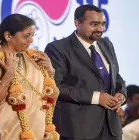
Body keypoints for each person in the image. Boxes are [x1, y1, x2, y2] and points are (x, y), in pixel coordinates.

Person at [45, 5, 126, 140]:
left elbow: (116, 76)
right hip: (78, 129)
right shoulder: (58, 48)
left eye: (103, 24)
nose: (101, 29)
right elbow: (56, 87)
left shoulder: (107, 45)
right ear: (78, 23)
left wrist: (121, 93)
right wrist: (97, 97)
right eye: (94, 24)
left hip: (112, 129)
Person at [0, 14, 60, 140]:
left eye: (32, 35)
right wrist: (9, 73)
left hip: (37, 132)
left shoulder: (35, 58)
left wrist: (50, 72)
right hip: (8, 132)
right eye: (26, 36)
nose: (31, 40)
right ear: (8, 36)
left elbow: (48, 93)